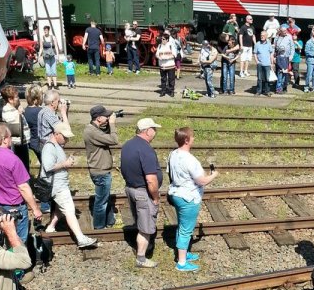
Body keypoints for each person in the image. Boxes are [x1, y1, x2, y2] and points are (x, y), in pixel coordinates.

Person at [167, 127, 218, 272]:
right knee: (185, 230)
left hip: (176, 194)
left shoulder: (173, 154)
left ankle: (182, 254)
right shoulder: (190, 159)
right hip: (188, 197)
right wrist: (214, 175)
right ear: (187, 140)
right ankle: (181, 263)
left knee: (182, 226)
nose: (194, 138)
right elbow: (201, 181)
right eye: (192, 137)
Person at [41, 124, 98, 249]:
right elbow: (48, 166)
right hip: (57, 186)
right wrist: (65, 163)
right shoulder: (49, 148)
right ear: (57, 134)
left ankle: (50, 227)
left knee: (60, 208)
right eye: (65, 137)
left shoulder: (56, 146)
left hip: (60, 184)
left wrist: (66, 162)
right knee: (69, 210)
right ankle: (80, 238)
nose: (67, 140)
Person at [120, 118, 163, 269]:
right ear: (147, 131)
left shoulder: (128, 145)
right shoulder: (146, 150)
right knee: (146, 228)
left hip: (131, 189)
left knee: (140, 220)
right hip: (143, 192)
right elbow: (151, 180)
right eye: (154, 129)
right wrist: (156, 198)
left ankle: (143, 249)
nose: (155, 132)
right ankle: (141, 258)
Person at [83, 105, 118, 231]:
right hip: (101, 172)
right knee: (101, 202)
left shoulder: (93, 128)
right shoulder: (92, 132)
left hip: (101, 170)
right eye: (106, 116)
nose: (108, 117)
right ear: (98, 118)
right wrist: (113, 124)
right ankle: (99, 227)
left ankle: (109, 221)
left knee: (105, 198)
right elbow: (114, 140)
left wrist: (109, 123)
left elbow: (104, 134)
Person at [1, 85, 31, 170]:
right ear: (10, 100)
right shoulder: (6, 109)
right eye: (16, 97)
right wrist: (19, 113)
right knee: (21, 166)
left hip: (22, 142)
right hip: (16, 143)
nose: (18, 98)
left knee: (25, 164)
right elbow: (11, 122)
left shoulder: (14, 107)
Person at [23, 84, 44, 164]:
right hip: (40, 143)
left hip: (32, 142)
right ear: (36, 99)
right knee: (46, 164)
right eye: (41, 95)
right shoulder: (40, 111)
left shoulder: (25, 111)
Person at [274, 24, 294, 94]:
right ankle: (278, 88)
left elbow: (292, 47)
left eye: (286, 30)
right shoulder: (277, 37)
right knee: (279, 73)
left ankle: (284, 88)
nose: (285, 32)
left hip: (286, 57)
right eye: (283, 31)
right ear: (280, 31)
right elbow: (275, 48)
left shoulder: (289, 37)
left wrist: (291, 56)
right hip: (279, 58)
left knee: (285, 74)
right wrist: (274, 57)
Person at [156, 30, 177, 98]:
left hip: (170, 66)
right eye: (161, 39)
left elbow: (175, 55)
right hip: (162, 66)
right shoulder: (159, 46)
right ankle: (163, 91)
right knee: (163, 79)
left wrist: (167, 57)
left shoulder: (171, 45)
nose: (162, 40)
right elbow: (157, 54)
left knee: (171, 79)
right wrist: (158, 56)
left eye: (163, 39)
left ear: (167, 40)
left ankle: (171, 91)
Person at [254, 30, 274, 97]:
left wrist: (272, 63)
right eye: (261, 35)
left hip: (267, 64)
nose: (262, 37)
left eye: (263, 35)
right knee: (259, 78)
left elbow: (271, 54)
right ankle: (258, 91)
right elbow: (255, 53)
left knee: (267, 78)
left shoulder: (269, 44)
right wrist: (257, 61)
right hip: (260, 64)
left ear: (266, 36)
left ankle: (267, 91)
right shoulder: (257, 44)